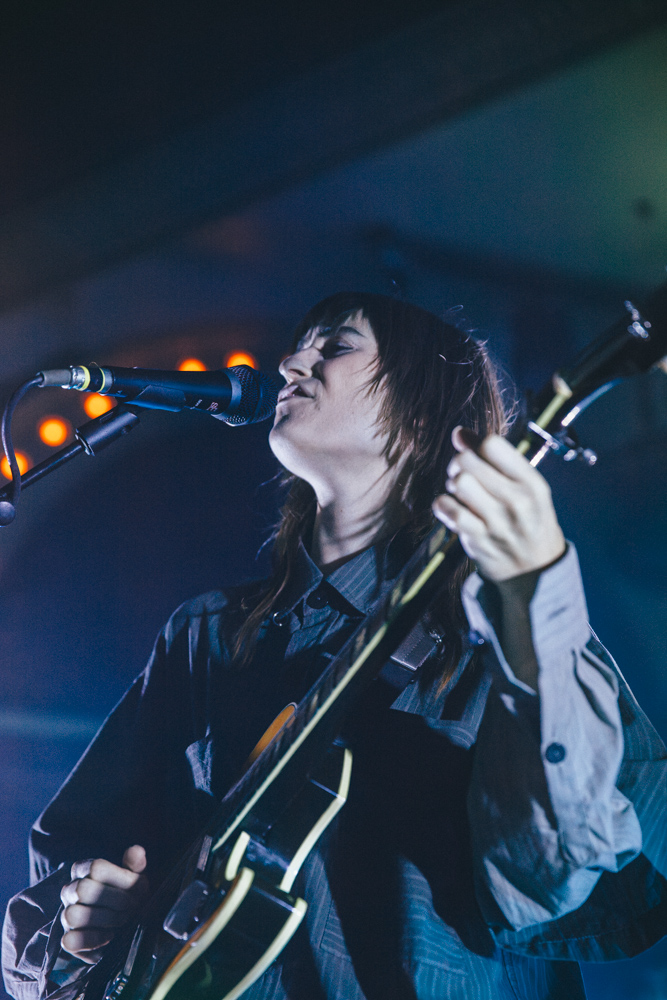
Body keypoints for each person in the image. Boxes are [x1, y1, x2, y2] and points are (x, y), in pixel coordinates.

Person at [3, 293, 667, 1000]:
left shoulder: (509, 629)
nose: (291, 361)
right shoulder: (208, 634)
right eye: (299, 346)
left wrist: (536, 589)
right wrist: (84, 920)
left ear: (421, 411)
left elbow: (558, 874)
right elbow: (65, 867)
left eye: (336, 346)